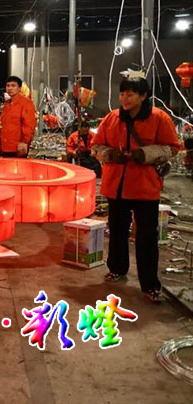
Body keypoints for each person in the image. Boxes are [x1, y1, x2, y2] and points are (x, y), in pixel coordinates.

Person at [91, 77, 181, 302]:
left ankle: (150, 284)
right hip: (116, 186)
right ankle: (117, 268)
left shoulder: (159, 118)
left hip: (145, 187)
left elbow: (172, 148)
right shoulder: (112, 118)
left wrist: (145, 154)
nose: (124, 98)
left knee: (146, 237)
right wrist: (109, 154)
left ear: (143, 96)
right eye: (122, 94)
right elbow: (96, 145)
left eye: (130, 94)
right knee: (117, 231)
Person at [0, 76, 36, 157]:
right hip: (5, 147)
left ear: (19, 88)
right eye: (8, 86)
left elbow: (29, 125)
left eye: (13, 85)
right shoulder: (7, 104)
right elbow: (3, 125)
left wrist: (25, 142)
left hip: (18, 148)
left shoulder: (26, 103)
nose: (10, 88)